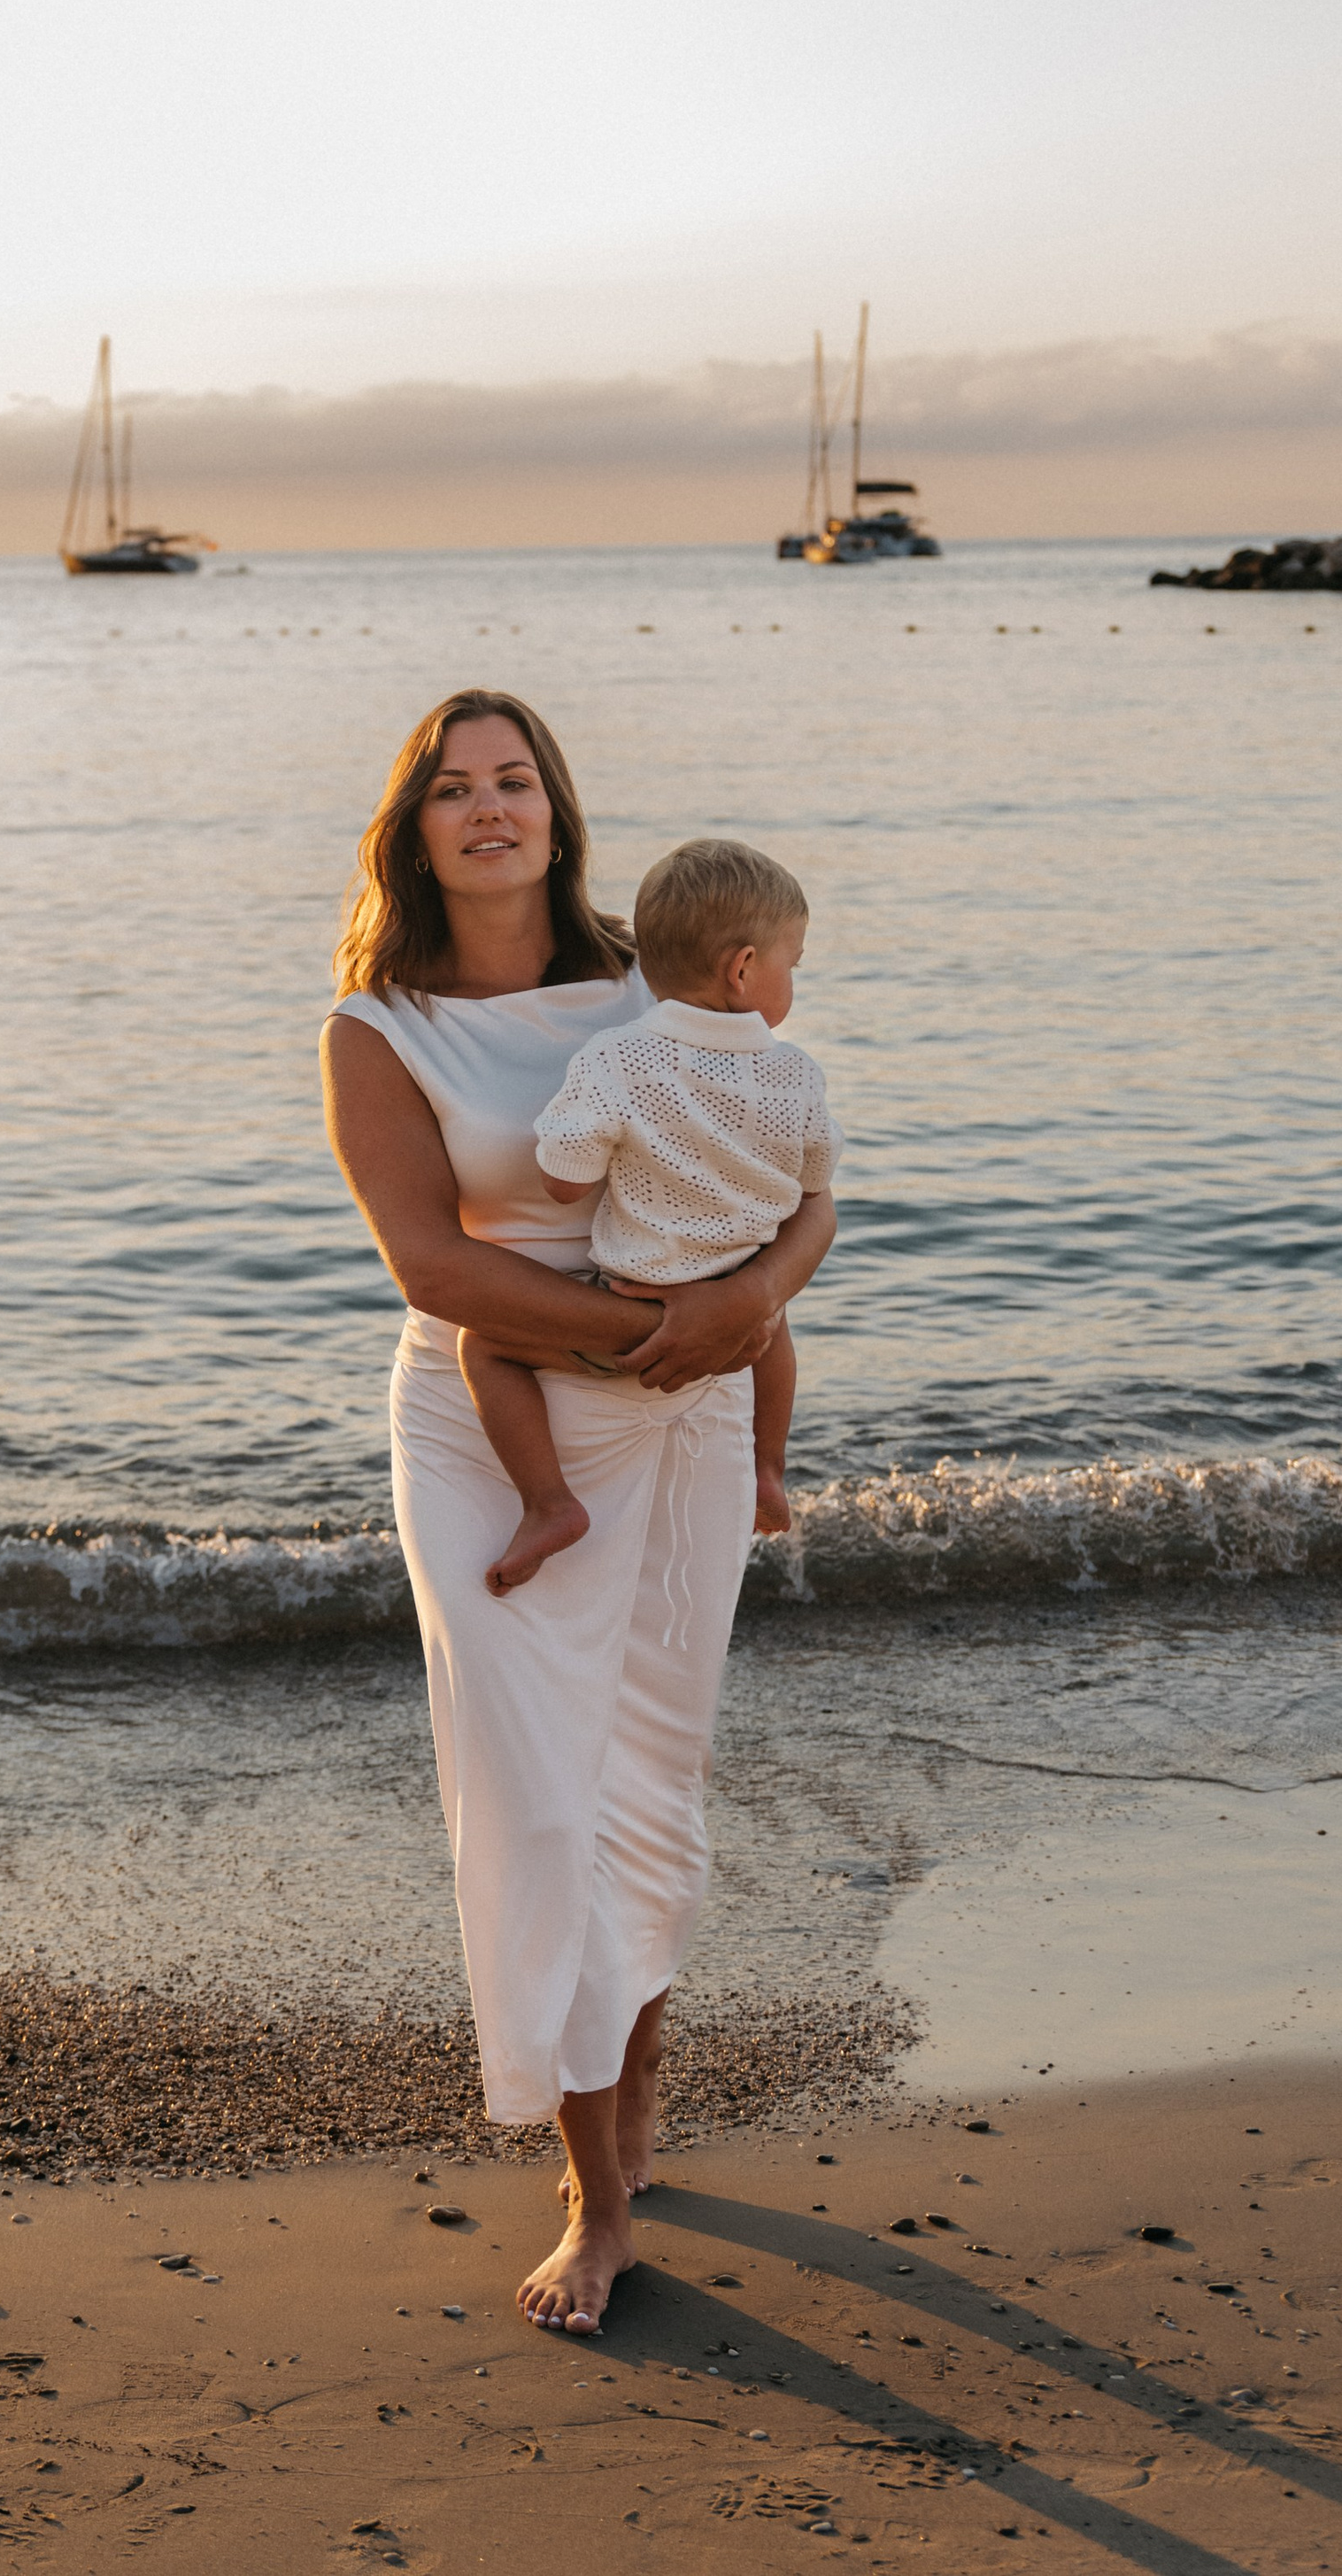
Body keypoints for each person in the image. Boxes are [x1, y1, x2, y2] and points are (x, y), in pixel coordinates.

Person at [320, 692, 836, 2340]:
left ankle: (632, 2105)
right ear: (414, 830)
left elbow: (800, 1180)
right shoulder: (377, 1030)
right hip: (498, 1425)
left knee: (645, 1781)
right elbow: (434, 1263)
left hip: (679, 1417)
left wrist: (746, 1304)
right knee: (542, 1796)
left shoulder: (657, 973)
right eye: (455, 789)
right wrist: (652, 1333)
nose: (490, 808)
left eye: (515, 779)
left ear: (557, 807)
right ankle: (594, 2200)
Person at [456, 836, 839, 1595]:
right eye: (791, 961)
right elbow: (814, 1179)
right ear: (743, 968)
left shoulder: (617, 1058)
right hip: (744, 1309)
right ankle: (767, 1468)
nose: (792, 978)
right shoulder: (795, 1071)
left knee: (481, 1348)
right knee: (777, 1318)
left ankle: (548, 1502)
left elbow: (565, 1182)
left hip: (637, 1313)